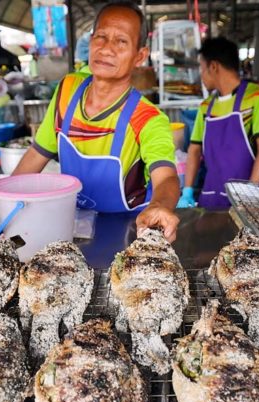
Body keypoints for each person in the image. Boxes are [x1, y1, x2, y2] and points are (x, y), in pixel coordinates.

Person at [13, 1, 180, 241]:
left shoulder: (148, 118)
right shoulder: (67, 90)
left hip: (129, 233)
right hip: (70, 227)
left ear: (139, 56)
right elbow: (36, 154)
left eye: (121, 41)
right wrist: (3, 198)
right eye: (100, 36)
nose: (106, 49)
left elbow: (166, 177)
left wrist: (160, 206)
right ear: (90, 41)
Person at [178, 37, 259, 209]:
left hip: (246, 198)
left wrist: (250, 194)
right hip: (211, 195)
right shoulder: (206, 107)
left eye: (202, 68)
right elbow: (194, 150)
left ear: (213, 66)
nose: (201, 75)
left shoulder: (258, 97)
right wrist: (187, 190)